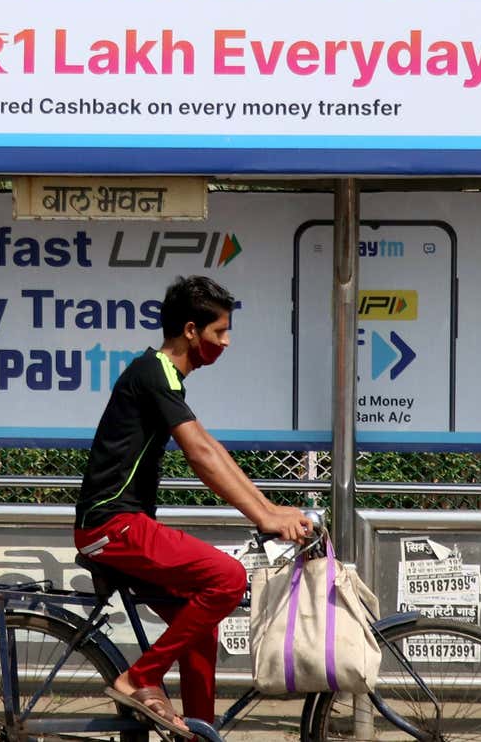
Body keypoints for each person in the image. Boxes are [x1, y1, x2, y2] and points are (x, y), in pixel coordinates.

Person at [73, 275, 311, 737]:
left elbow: (208, 445)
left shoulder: (163, 377)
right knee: (226, 578)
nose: (225, 342)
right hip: (112, 525)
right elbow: (199, 456)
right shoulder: (154, 371)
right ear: (190, 331)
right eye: (219, 331)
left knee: (200, 623)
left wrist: (272, 509)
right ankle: (139, 677)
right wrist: (263, 516)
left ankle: (201, 731)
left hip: (125, 523)